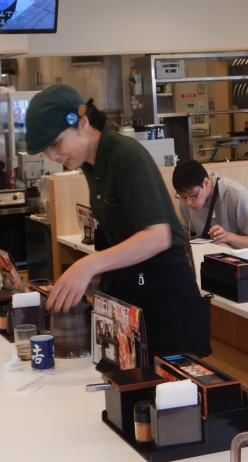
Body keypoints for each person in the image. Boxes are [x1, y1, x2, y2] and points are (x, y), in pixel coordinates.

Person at [25, 84, 210, 360]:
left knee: (171, 382)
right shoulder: (89, 163)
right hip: (134, 288)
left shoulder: (125, 155)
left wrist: (89, 265)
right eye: (45, 150)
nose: (53, 156)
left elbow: (158, 236)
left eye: (56, 144)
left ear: (82, 123)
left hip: (165, 295)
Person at [171, 159, 248, 253]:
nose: (188, 203)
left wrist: (228, 237)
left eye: (192, 195)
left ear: (206, 182)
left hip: (237, 260)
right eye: (182, 197)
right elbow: (183, 236)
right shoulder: (186, 199)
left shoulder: (238, 196)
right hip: (203, 259)